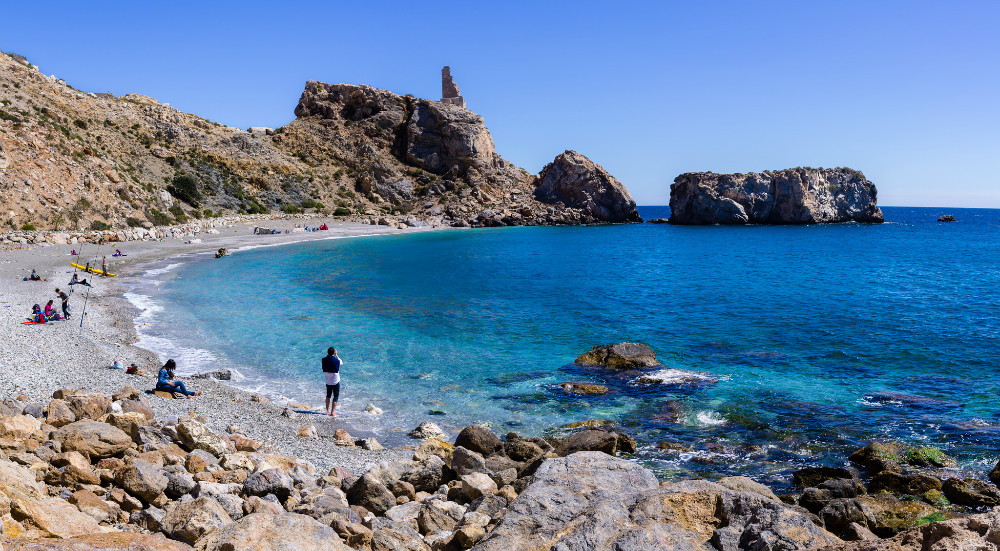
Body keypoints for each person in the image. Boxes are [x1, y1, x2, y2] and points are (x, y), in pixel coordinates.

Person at [322, 347, 342, 417]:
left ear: (327, 352)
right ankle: (332, 412)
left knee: (328, 396)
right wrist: (336, 355)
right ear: (334, 352)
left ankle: (327, 411)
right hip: (335, 381)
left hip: (328, 381)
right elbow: (341, 363)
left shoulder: (324, 360)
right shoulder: (337, 361)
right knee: (335, 397)